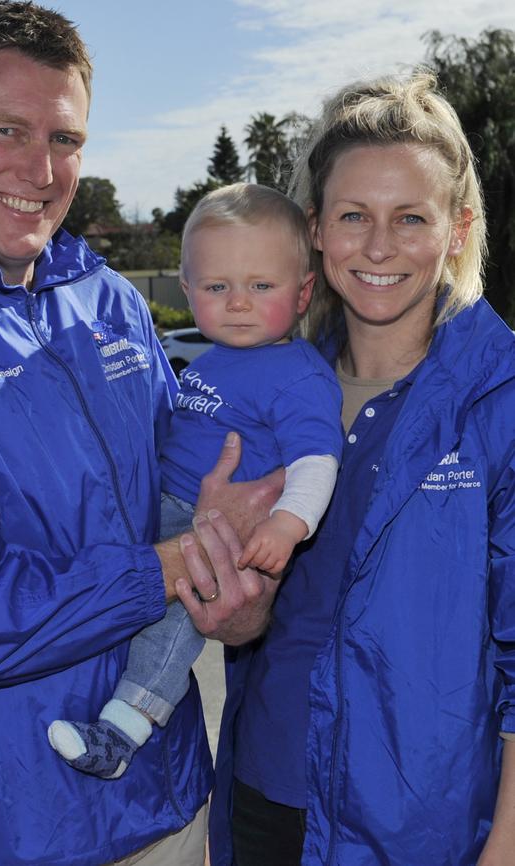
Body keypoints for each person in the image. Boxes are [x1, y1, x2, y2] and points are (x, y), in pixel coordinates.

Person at [0, 4, 282, 865]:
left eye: (66, 138)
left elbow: (193, 494)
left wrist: (240, 586)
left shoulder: (115, 303)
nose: (41, 169)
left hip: (164, 807)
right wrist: (174, 569)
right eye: (7, 130)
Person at [209, 69, 515, 866]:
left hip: (421, 831)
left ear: (457, 229)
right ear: (315, 229)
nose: (378, 247)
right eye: (353, 216)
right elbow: (248, 628)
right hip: (265, 803)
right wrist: (226, 576)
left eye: (410, 217)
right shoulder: (268, 393)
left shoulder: (500, 400)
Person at [47, 183, 343, 780]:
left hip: (209, 524)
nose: (238, 303)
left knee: (172, 625)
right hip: (158, 505)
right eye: (217, 287)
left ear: (304, 291)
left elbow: (318, 460)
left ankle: (122, 732)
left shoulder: (298, 374)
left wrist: (289, 523)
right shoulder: (208, 361)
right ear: (188, 291)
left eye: (261, 286)